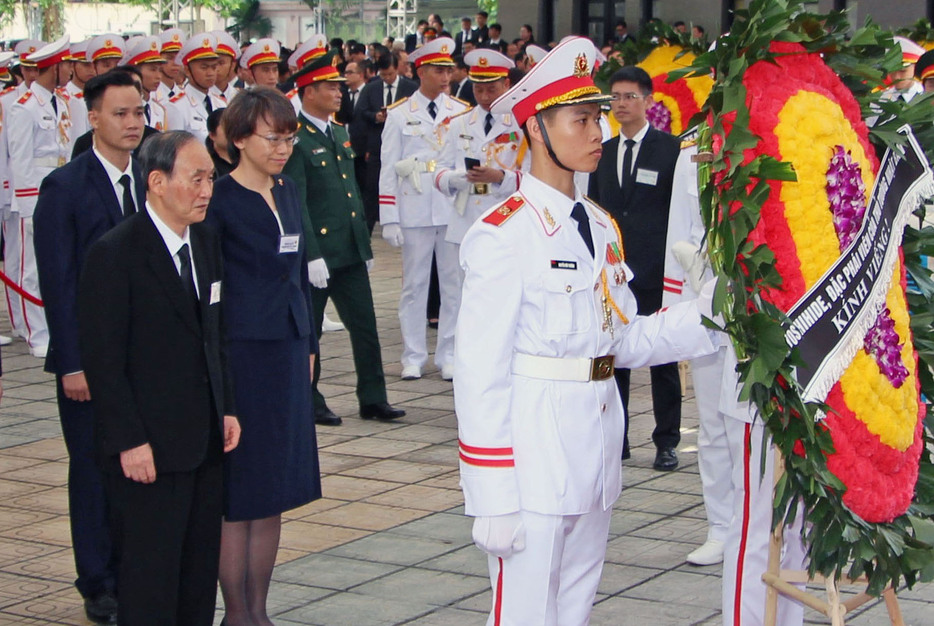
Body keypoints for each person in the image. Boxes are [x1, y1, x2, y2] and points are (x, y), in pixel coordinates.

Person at [454, 37, 717, 625]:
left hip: (594, 443)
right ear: (537, 131)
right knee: (525, 611)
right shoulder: (504, 235)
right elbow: (479, 371)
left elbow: (621, 342)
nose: (598, 130)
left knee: (574, 606)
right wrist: (492, 490)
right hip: (532, 452)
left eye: (598, 116)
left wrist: (711, 313)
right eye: (581, 119)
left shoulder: (597, 224)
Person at [77, 130, 241, 625]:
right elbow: (104, 362)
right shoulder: (115, 253)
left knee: (196, 574)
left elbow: (214, 333)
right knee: (150, 578)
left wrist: (227, 406)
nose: (207, 190)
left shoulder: (207, 239)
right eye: (195, 179)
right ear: (156, 182)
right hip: (146, 447)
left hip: (204, 439)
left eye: (210, 178)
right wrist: (129, 440)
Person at [34, 69, 146, 626]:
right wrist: (73, 361)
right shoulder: (66, 186)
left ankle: (134, 570)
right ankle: (98, 580)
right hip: (90, 362)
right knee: (95, 469)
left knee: (139, 466)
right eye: (120, 113)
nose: (132, 123)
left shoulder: (152, 175)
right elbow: (58, 281)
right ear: (93, 117)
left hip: (146, 358)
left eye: (138, 112)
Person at [206, 87, 321, 626]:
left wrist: (311, 344)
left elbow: (298, 273)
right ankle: (237, 614)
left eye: (289, 138)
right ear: (240, 139)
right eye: (272, 138)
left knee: (274, 484)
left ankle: (261, 611)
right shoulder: (219, 199)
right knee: (242, 488)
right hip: (243, 351)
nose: (282, 148)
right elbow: (210, 287)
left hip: (289, 346)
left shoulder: (290, 190)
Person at [283, 50, 406, 426]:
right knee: (310, 333)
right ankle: (310, 397)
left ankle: (373, 397)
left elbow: (351, 193)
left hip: (349, 250)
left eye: (339, 87)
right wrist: (310, 255)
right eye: (330, 88)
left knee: (365, 326)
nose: (339, 93)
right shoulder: (296, 139)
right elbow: (297, 201)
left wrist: (363, 244)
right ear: (307, 91)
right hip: (319, 254)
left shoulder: (338, 131)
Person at [588, 66, 682, 471]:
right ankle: (617, 438)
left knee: (663, 359)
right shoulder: (602, 152)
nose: (621, 104)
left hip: (657, 270)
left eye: (629, 96)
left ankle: (666, 441)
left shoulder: (671, 150)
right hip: (615, 273)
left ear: (647, 101)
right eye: (615, 98)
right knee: (614, 358)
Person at [378, 37, 469, 381]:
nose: (445, 76)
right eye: (437, 69)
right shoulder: (401, 114)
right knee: (414, 286)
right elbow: (388, 167)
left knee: (453, 284)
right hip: (414, 207)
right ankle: (413, 355)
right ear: (420, 71)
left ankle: (448, 353)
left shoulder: (460, 111)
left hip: (451, 207)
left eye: (448, 69)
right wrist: (389, 217)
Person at [661, 134, 731, 567]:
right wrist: (676, 315)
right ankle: (721, 526)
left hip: (767, 303)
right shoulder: (693, 149)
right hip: (706, 302)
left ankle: (762, 521)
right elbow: (678, 229)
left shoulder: (781, 127)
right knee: (713, 425)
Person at [435, 47, 526, 320]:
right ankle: (453, 357)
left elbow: (534, 177)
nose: (485, 97)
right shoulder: (458, 123)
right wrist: (459, 177)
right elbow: (438, 172)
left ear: (506, 84)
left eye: (492, 89)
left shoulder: (522, 124)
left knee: (504, 295)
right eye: (478, 90)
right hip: (466, 218)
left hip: (507, 217)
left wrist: (500, 178)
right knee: (459, 295)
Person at [7, 36, 75, 359]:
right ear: (56, 67)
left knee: (53, 261)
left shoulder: (59, 102)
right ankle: (35, 332)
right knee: (29, 268)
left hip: (57, 187)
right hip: (33, 190)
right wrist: (26, 205)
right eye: (67, 66)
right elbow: (19, 160)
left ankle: (49, 325)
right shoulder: (23, 108)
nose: (71, 72)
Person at [356, 50, 417, 231]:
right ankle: (368, 227)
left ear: (397, 69)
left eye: (390, 74)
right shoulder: (371, 88)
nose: (387, 78)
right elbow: (361, 111)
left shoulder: (411, 87)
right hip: (377, 144)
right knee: (372, 187)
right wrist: (375, 116)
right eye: (383, 75)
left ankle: (403, 220)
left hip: (405, 145)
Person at [166, 33, 226, 142]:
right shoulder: (177, 106)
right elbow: (174, 148)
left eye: (214, 67)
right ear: (188, 70)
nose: (210, 73)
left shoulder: (221, 103)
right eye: (204, 68)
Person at [122, 36, 169, 131]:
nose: (158, 76)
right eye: (152, 69)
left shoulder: (159, 109)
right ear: (135, 71)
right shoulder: (124, 108)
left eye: (160, 70)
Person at [211, 30, 240, 103]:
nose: (216, 68)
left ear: (232, 65)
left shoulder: (239, 97)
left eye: (221, 63)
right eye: (212, 63)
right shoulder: (203, 97)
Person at [206, 108, 234, 178]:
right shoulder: (208, 163)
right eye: (226, 128)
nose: (231, 132)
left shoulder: (245, 156)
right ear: (212, 135)